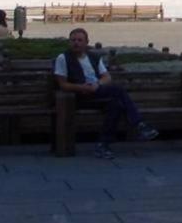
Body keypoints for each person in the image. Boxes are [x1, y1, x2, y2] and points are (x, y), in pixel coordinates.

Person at [53, 27, 159, 158]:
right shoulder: (63, 58)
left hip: (97, 92)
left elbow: (107, 77)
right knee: (118, 90)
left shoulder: (94, 57)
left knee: (116, 105)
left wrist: (97, 84)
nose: (76, 43)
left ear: (86, 42)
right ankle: (139, 124)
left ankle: (103, 145)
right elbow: (62, 84)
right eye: (73, 40)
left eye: (80, 40)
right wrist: (82, 87)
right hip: (78, 97)